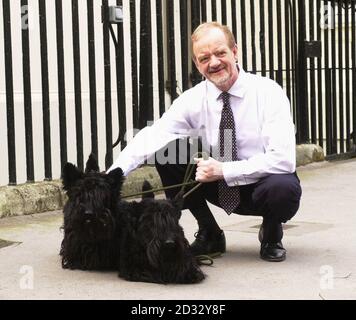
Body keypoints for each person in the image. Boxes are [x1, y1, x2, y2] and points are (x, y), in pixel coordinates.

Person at [108, 22, 302, 262]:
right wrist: (111, 178)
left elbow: (283, 159)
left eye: (220, 53)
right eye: (204, 58)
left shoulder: (268, 92)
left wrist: (224, 170)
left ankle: (272, 232)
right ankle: (209, 231)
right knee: (166, 151)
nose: (214, 63)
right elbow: (153, 135)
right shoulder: (193, 99)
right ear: (197, 65)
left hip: (261, 185)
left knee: (282, 188)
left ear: (235, 51)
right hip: (216, 186)